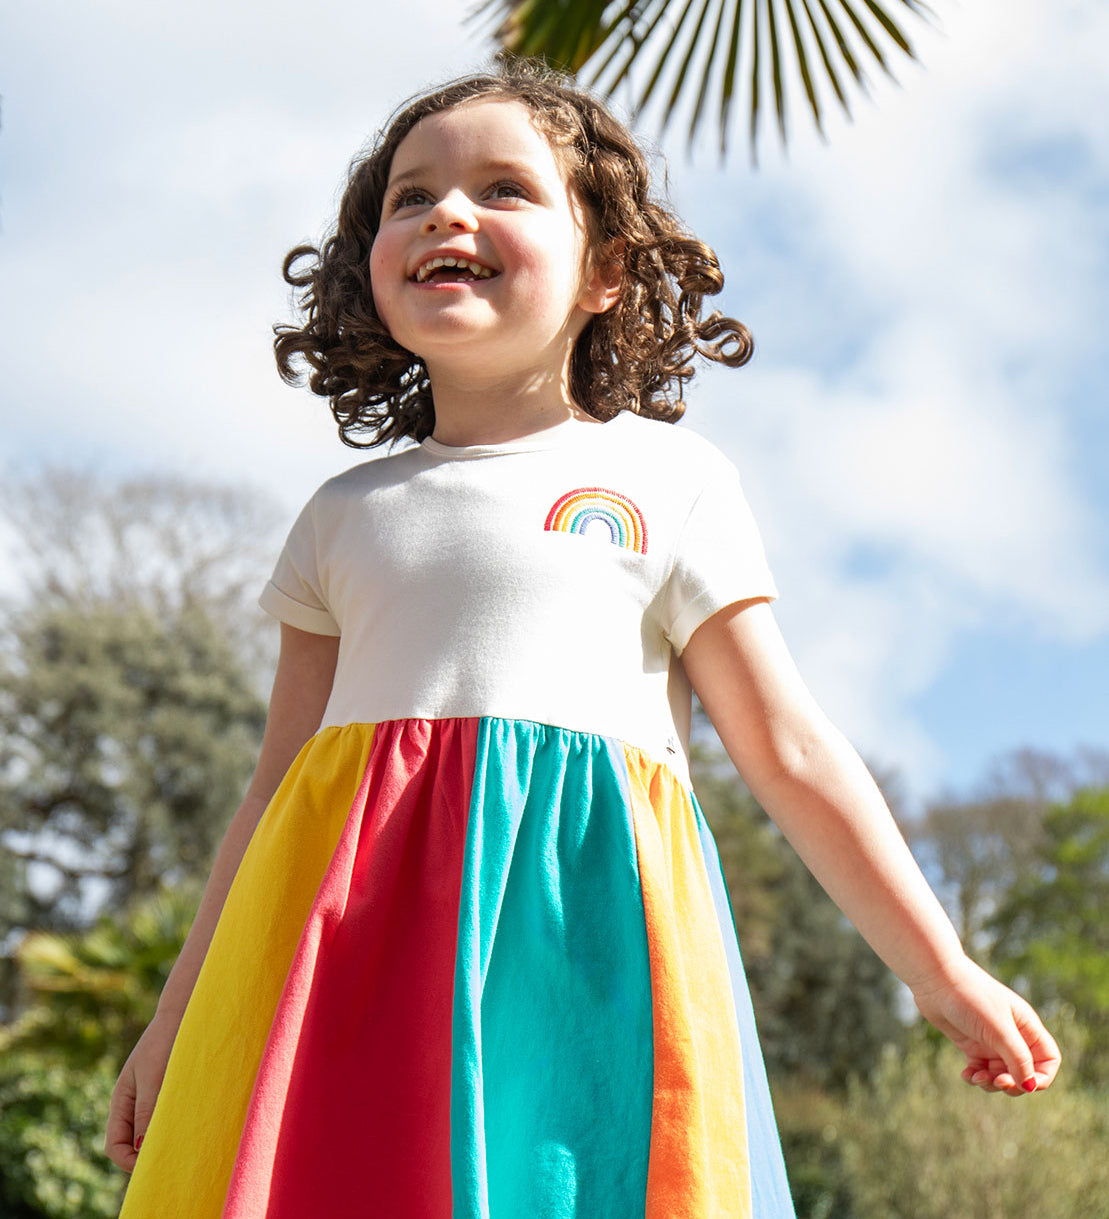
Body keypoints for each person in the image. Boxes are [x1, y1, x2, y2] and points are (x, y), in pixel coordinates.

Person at [105, 64, 1060, 1218]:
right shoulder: (344, 515)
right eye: (409, 199)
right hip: (357, 971)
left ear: (604, 271)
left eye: (503, 189)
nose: (446, 213)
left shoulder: (669, 479)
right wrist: (176, 1023)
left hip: (586, 952)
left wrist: (939, 969)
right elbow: (272, 794)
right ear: (372, 266)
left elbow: (788, 751)